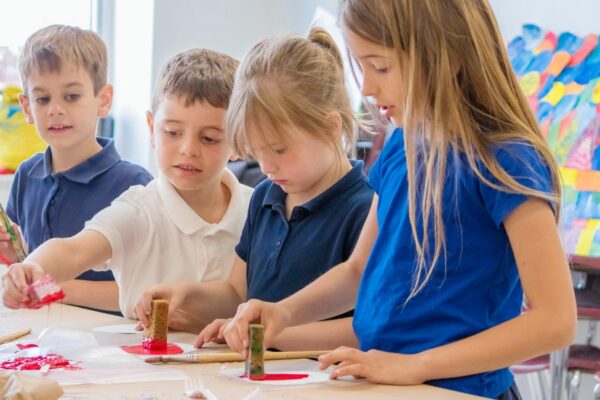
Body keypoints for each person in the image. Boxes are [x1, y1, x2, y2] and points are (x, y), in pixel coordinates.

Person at [221, 1, 576, 399]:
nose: (368, 89)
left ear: (447, 56)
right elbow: (358, 272)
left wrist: (415, 365)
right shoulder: (400, 148)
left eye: (381, 67)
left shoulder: (505, 160)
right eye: (363, 67)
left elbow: (555, 320)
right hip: (385, 384)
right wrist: (283, 311)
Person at [135, 28, 373, 351]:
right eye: (256, 152)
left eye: (278, 149)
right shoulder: (265, 196)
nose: (265, 166)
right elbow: (237, 294)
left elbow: (366, 328)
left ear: (330, 127)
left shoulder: (365, 209)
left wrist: (267, 334)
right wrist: (186, 297)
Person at [2, 48, 253, 318]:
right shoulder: (138, 209)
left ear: (239, 139)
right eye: (172, 132)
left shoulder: (256, 207)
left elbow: (241, 298)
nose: (188, 149)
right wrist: (34, 267)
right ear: (151, 128)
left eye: (209, 138)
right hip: (138, 358)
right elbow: (74, 249)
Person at [0, 25, 152, 312]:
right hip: (42, 339)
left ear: (103, 100)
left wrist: (50, 288)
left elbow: (143, 292)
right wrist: (16, 256)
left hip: (108, 346)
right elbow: (31, 265)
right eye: (42, 99)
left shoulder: (135, 185)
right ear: (27, 107)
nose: (55, 109)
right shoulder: (26, 174)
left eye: (71, 97)